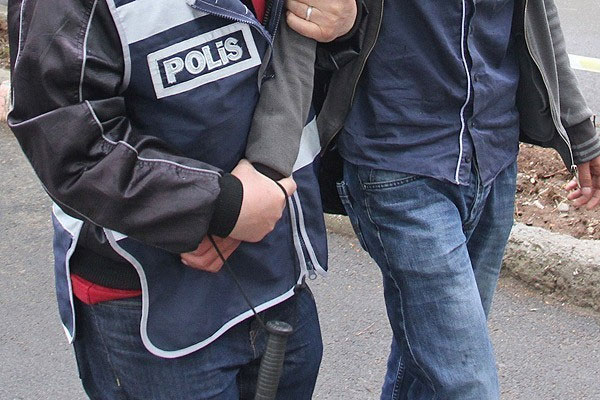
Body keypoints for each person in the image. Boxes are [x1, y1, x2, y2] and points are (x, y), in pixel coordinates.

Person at [7, 0, 355, 398]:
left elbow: (301, 53)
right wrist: (219, 206)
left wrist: (345, 25)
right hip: (147, 303)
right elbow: (69, 140)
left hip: (278, 274)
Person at [287, 0, 600, 398]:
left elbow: (538, 14)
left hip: (494, 160)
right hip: (397, 163)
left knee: (429, 363)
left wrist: (580, 133)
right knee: (468, 384)